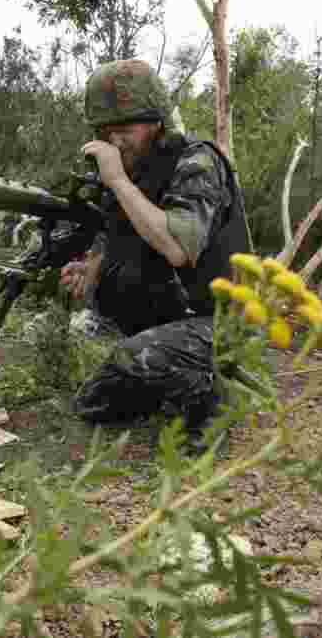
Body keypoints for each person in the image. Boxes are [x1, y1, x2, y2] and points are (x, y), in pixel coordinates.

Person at [59, 59, 249, 455]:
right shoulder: (132, 173)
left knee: (141, 365)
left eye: (125, 130)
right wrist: (92, 269)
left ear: (156, 123)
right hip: (171, 318)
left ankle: (214, 403)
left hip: (221, 321)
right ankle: (168, 379)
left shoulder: (197, 161)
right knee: (93, 405)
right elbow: (118, 237)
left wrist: (116, 180)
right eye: (106, 133)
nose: (116, 142)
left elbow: (178, 248)